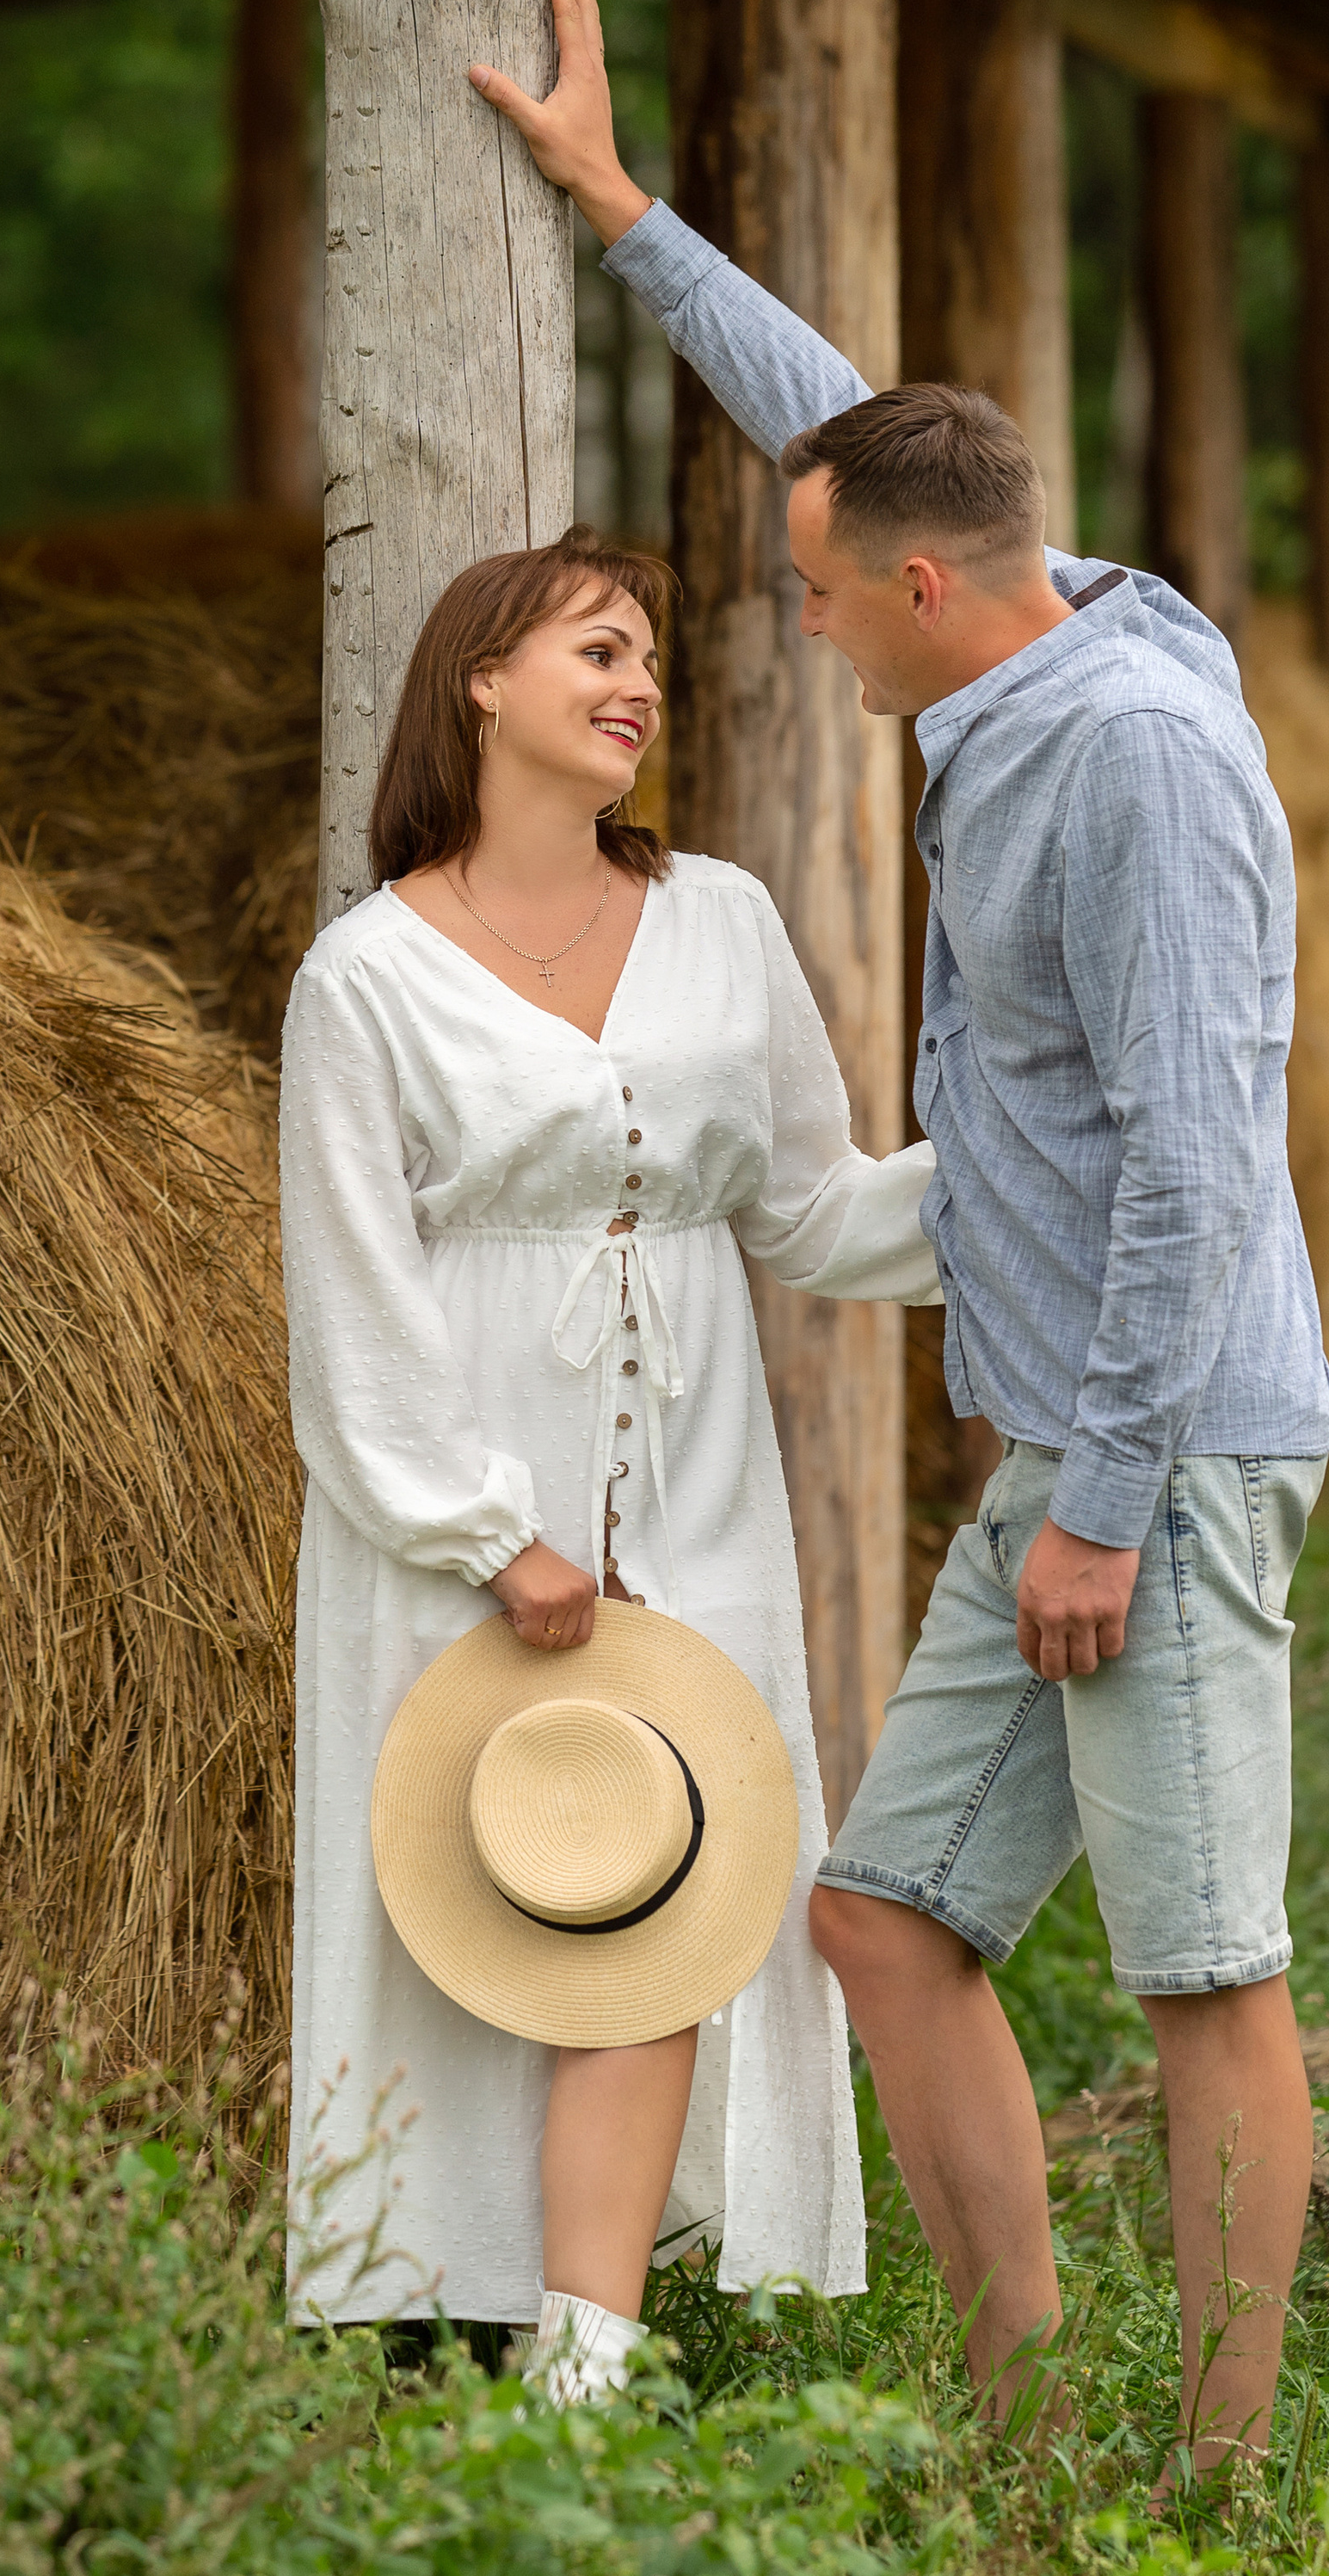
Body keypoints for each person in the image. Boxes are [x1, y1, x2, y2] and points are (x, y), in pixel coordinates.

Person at [470, 0, 1329, 2482]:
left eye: (818, 593)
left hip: (1142, 1463)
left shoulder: (1136, 774)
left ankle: (1218, 2499)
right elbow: (846, 425)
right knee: (877, 1920)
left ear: (929, 601)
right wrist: (627, 212)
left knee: (1208, 1978)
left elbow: (1203, 1156)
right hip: (1066, 1444)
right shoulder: (1033, 610)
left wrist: (1097, 1506)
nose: (794, 614)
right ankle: (1022, 2419)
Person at [279, 521, 941, 2382]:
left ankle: (581, 2364)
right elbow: (348, 1291)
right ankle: (430, 2314)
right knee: (476, 1897)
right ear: (478, 681)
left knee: (664, 1885)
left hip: (700, 1488)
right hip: (456, 1502)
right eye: (591, 649)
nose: (633, 683)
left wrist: (1020, 1178)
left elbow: (806, 1206)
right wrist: (491, 1531)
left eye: (641, 655)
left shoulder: (720, 919)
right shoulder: (365, 976)